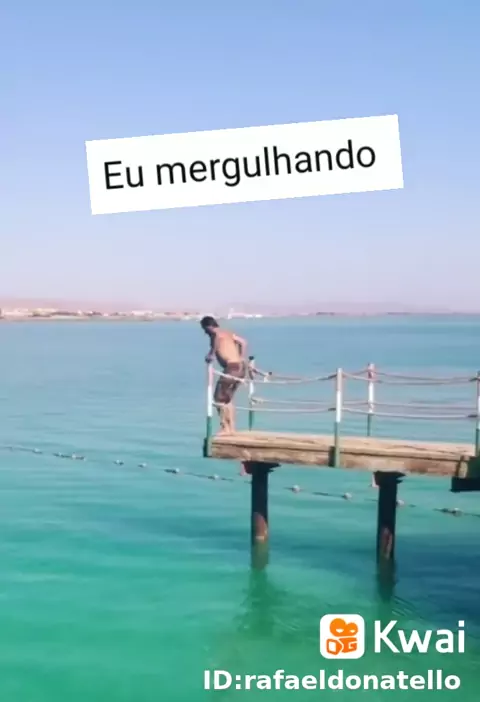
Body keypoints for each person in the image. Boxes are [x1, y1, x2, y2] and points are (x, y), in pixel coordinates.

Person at [200, 316, 247, 433]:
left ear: (209, 326)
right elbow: (243, 342)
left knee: (218, 399)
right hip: (240, 368)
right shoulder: (227, 333)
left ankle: (225, 427)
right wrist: (241, 357)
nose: (205, 333)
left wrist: (211, 354)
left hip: (232, 368)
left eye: (205, 329)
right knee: (227, 400)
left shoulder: (215, 334)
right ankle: (232, 428)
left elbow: (216, 338)